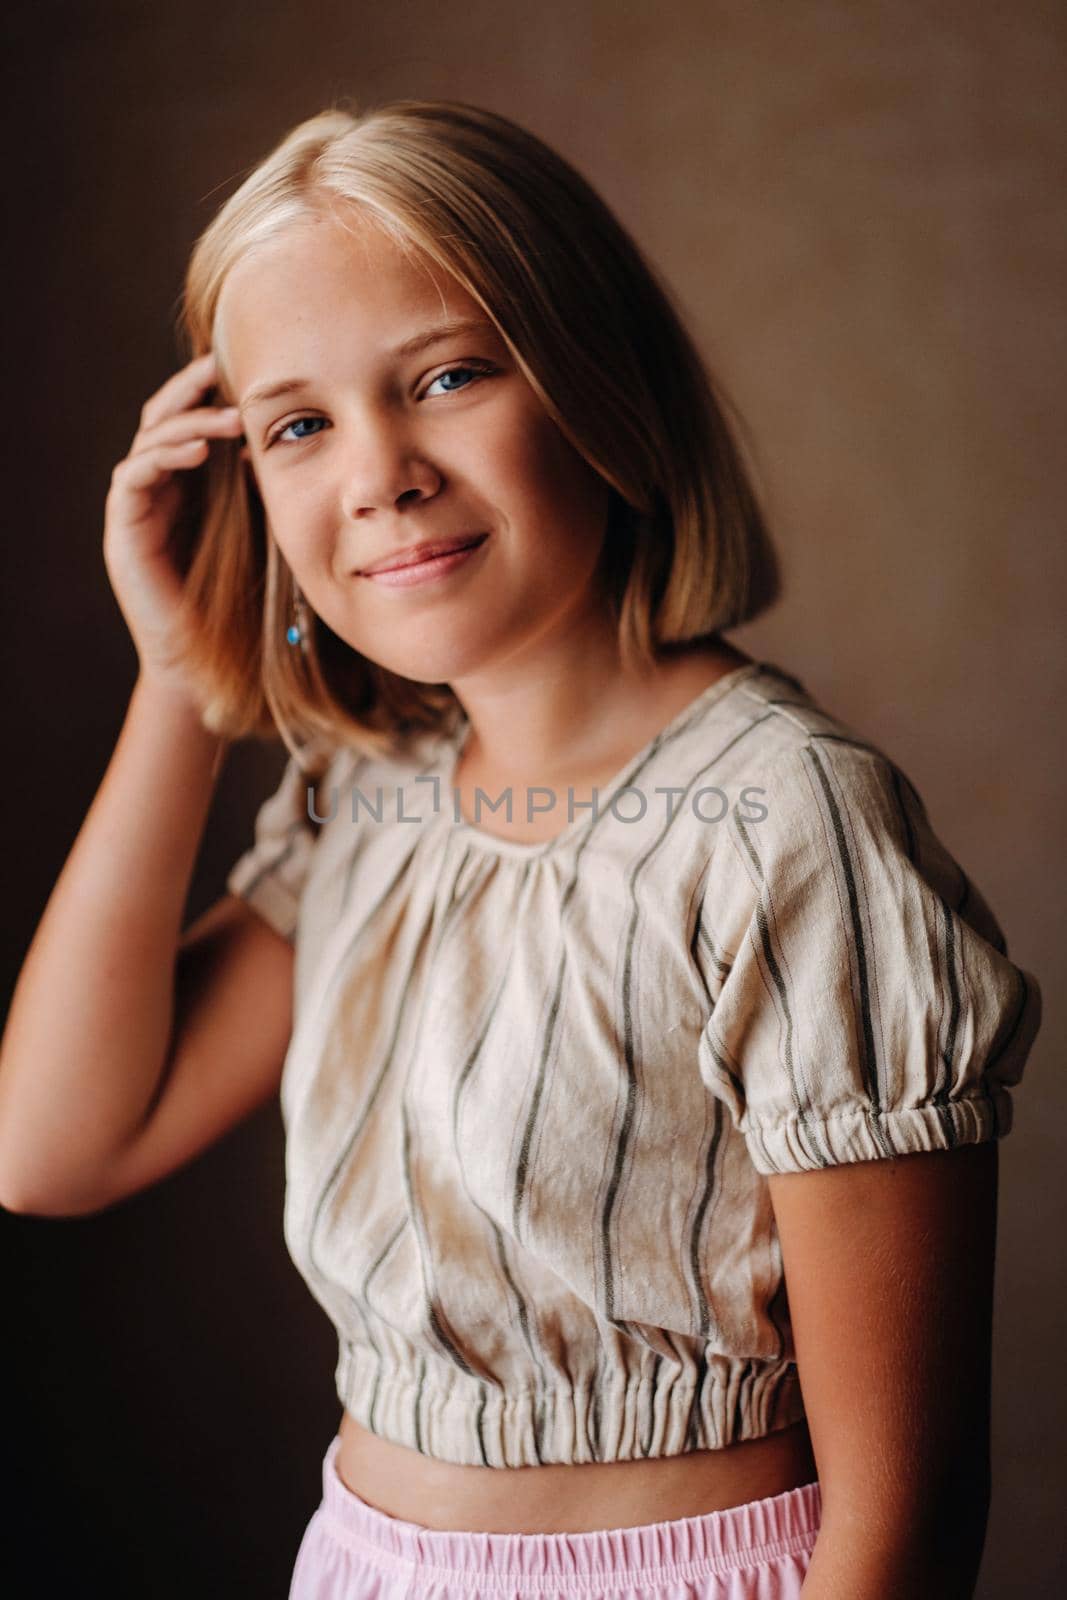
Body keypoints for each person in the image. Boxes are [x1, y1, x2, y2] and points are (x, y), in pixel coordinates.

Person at [0, 98, 1043, 1600]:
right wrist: (185, 686)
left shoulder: (783, 822)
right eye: (298, 423)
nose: (380, 471)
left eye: (446, 377)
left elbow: (907, 1523)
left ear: (595, 383)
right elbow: (55, 1149)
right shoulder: (373, 803)